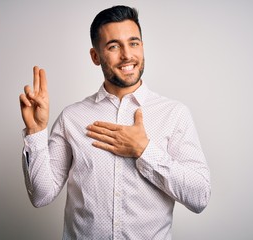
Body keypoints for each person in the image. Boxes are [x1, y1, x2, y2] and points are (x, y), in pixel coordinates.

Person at [19, 5, 211, 239]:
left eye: (134, 43)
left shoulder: (174, 114)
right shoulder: (72, 118)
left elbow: (200, 197)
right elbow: (41, 196)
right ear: (95, 56)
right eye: (113, 46)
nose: (127, 55)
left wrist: (144, 151)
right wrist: (36, 131)